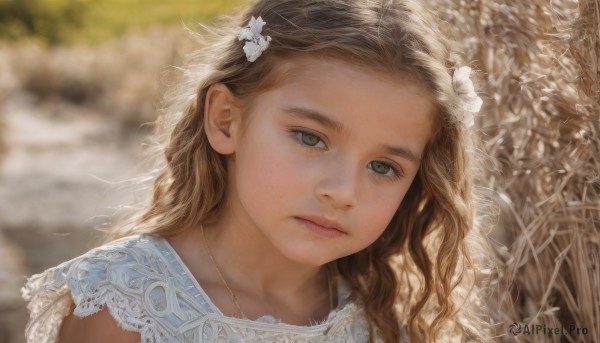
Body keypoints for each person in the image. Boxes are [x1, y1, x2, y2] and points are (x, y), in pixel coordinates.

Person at [22, 0, 491, 342]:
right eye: (310, 138)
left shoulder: (391, 312)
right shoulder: (123, 304)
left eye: (384, 166)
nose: (343, 191)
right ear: (226, 121)